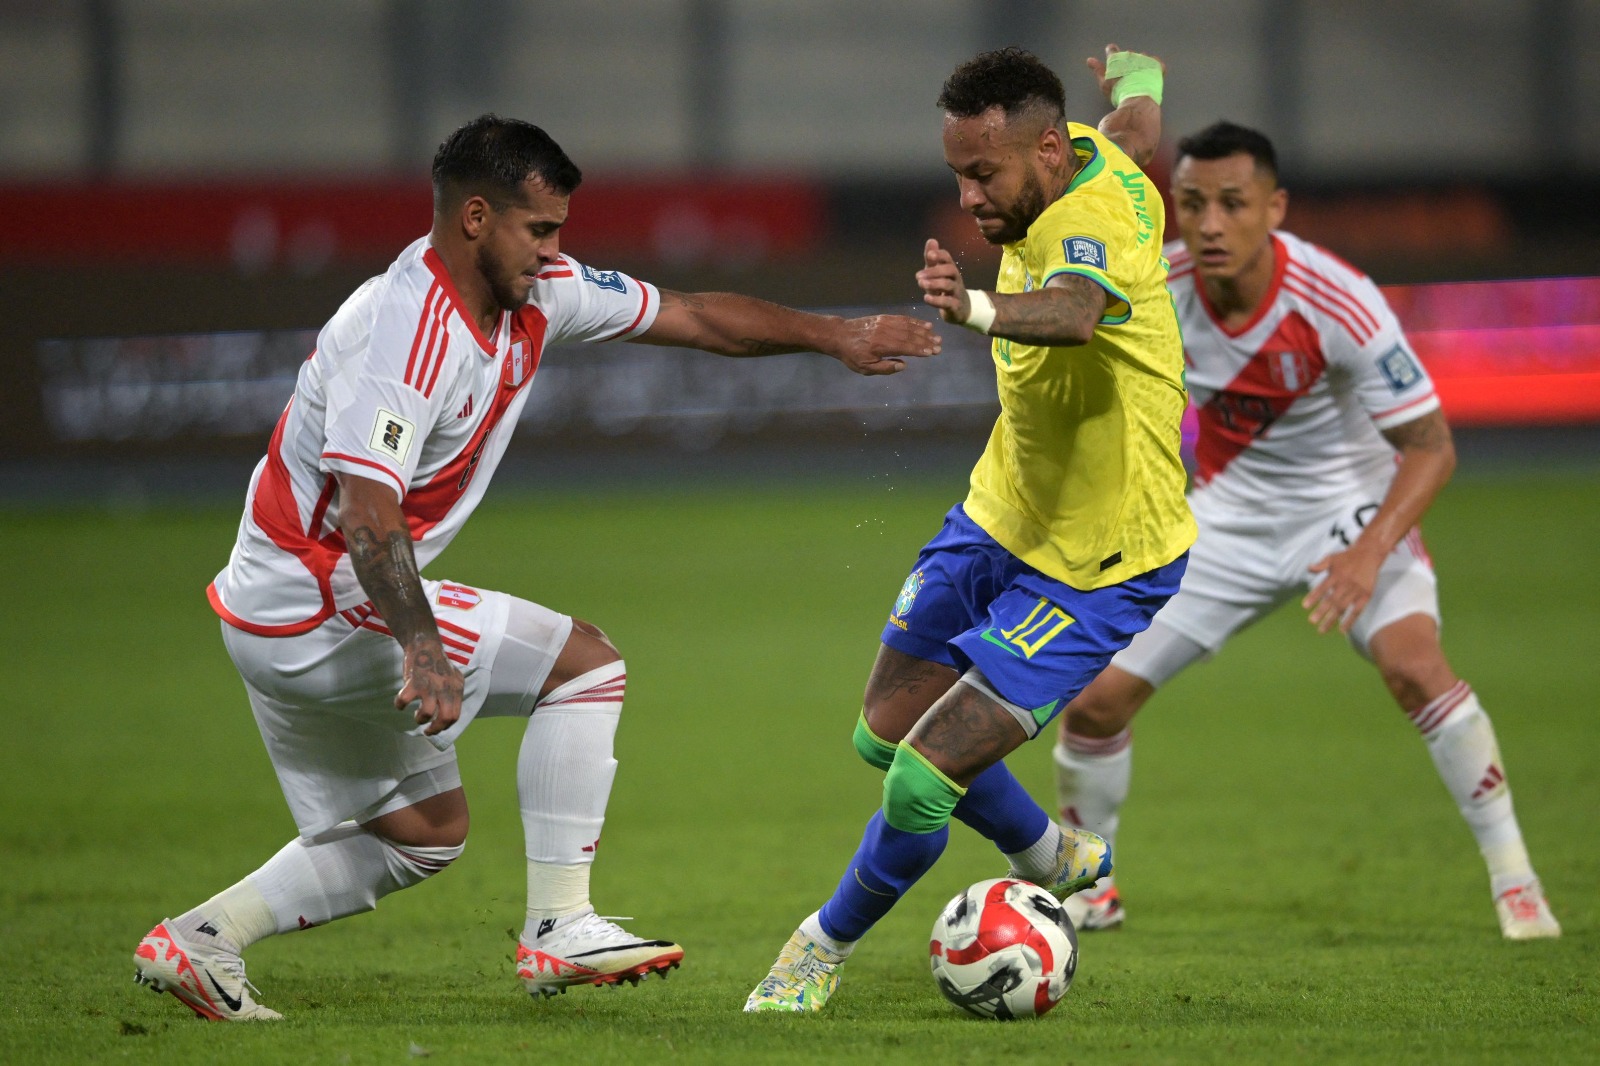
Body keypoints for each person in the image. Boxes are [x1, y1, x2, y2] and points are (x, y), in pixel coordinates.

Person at [130, 114, 941, 1021]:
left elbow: (696, 315)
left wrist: (834, 336)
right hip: (322, 598)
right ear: (475, 217)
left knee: (423, 835)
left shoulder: (538, 291)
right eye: (540, 230)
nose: (556, 252)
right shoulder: (404, 330)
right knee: (586, 665)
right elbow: (368, 511)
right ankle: (559, 925)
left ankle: (199, 940)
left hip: (268, 614)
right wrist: (423, 647)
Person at [745, 46, 1196, 1013]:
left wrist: (974, 307)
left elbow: (1074, 315)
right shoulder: (1080, 147)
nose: (967, 195)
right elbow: (1138, 131)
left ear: (1039, 149)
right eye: (957, 171)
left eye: (982, 174)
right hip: (1002, 509)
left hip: (1103, 556)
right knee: (882, 730)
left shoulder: (1100, 216)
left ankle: (814, 952)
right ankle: (1047, 851)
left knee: (917, 784)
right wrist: (1141, 75)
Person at [1053, 121, 1560, 940]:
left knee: (1415, 669)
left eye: (1232, 203)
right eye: (1191, 204)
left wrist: (1367, 554)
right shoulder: (1156, 283)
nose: (1210, 223)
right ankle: (1090, 884)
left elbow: (1430, 447)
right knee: (1096, 700)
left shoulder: (1338, 300)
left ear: (1275, 207)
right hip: (1227, 517)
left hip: (1348, 509)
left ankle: (1516, 881)